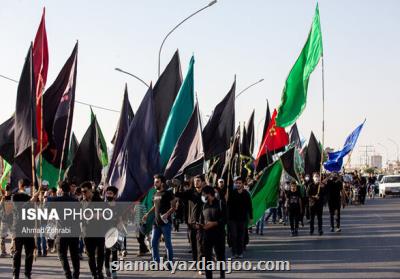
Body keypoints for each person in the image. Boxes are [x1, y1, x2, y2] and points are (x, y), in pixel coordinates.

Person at [48, 181, 81, 279]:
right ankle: (76, 275)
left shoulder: (55, 200)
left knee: (62, 255)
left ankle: (68, 274)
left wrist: (47, 196)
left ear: (60, 189)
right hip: (74, 231)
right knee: (74, 255)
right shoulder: (75, 201)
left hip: (62, 232)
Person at [142, 174, 176, 266]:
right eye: (154, 182)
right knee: (153, 243)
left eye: (157, 182)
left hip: (166, 224)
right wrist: (147, 214)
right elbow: (155, 206)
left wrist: (167, 214)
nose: (155, 184)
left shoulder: (168, 193)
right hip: (156, 224)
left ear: (162, 183)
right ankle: (155, 262)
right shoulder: (155, 194)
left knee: (167, 244)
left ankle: (169, 263)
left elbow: (174, 207)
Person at [12, 179, 40, 279]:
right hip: (18, 228)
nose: (30, 188)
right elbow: (21, 209)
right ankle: (16, 274)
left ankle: (28, 274)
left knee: (29, 253)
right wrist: (32, 199)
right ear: (22, 187)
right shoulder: (15, 196)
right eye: (29, 187)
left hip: (29, 229)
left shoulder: (30, 196)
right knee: (17, 253)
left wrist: (38, 198)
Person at [174, 174, 204, 264]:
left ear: (203, 182)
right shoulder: (190, 192)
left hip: (203, 223)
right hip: (192, 223)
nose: (196, 182)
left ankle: (202, 262)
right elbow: (178, 194)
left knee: (202, 245)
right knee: (194, 245)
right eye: (195, 181)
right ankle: (196, 262)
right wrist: (177, 186)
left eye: (198, 181)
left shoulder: (206, 192)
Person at [199, 186, 227, 279]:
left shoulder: (220, 203)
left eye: (203, 194)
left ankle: (222, 275)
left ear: (209, 193)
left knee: (220, 257)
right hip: (207, 236)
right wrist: (199, 225)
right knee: (207, 258)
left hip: (219, 235)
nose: (202, 196)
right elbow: (201, 220)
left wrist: (214, 223)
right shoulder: (204, 206)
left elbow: (226, 218)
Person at [81, 181, 105, 279]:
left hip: (99, 231)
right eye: (82, 192)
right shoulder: (82, 202)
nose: (83, 194)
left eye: (85, 191)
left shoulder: (99, 201)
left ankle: (99, 272)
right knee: (90, 255)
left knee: (100, 254)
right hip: (87, 233)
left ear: (90, 190)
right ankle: (94, 274)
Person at [227, 176, 253, 259]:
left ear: (242, 184)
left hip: (242, 219)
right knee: (234, 235)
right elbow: (228, 206)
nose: (238, 184)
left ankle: (240, 252)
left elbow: (249, 206)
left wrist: (251, 217)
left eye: (239, 183)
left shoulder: (246, 194)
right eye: (236, 183)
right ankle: (234, 252)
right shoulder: (231, 193)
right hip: (232, 219)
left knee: (241, 236)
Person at [104, 186, 119, 279]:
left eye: (110, 193)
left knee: (114, 253)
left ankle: (114, 272)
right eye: (107, 193)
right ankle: (106, 268)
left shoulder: (119, 206)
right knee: (107, 252)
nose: (108, 195)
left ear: (115, 195)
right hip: (105, 232)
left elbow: (122, 219)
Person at [1, 183, 14, 257]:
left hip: (11, 220)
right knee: (2, 237)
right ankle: (3, 251)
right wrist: (2, 200)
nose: (7, 191)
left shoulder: (13, 198)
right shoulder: (2, 198)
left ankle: (12, 251)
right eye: (6, 189)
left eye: (8, 189)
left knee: (13, 236)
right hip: (4, 219)